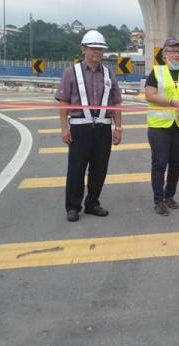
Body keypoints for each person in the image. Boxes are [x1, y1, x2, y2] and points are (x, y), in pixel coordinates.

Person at [56, 30, 122, 222]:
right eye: (93, 48)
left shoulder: (109, 74)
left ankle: (92, 203)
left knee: (99, 168)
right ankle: (73, 206)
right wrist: (63, 128)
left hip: (103, 128)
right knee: (76, 168)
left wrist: (118, 128)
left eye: (100, 49)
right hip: (79, 128)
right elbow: (63, 102)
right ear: (84, 49)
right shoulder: (71, 72)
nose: (97, 53)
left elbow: (116, 103)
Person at [145, 38, 179, 215]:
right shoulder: (156, 72)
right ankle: (158, 200)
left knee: (176, 163)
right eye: (172, 51)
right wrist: (173, 102)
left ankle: (170, 196)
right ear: (164, 54)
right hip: (160, 125)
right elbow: (150, 95)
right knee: (159, 163)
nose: (176, 54)